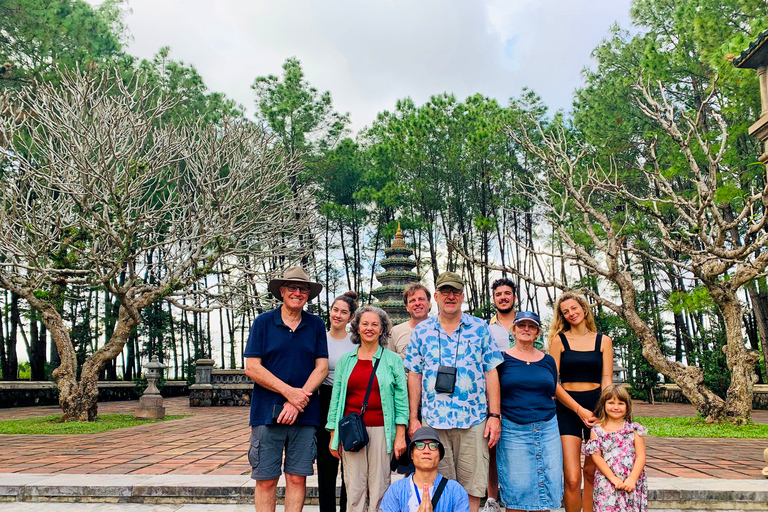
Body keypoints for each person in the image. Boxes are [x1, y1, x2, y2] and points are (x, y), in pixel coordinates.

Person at [405, 271, 503, 512]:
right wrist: (414, 418)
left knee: (472, 485)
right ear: (436, 296)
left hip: (473, 420)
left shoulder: (480, 328)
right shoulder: (422, 331)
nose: (451, 296)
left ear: (462, 295)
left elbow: (491, 372)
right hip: (434, 421)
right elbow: (414, 375)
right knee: (439, 484)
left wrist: (494, 416)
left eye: (456, 292)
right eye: (445, 292)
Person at [244, 266, 329, 512]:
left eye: (303, 289)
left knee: (296, 477)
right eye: (292, 288)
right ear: (282, 291)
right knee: (267, 480)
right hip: (266, 414)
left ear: (308, 295)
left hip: (304, 414)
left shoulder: (315, 325)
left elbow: (321, 368)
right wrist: (288, 392)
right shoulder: (263, 323)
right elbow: (252, 367)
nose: (297, 293)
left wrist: (295, 401)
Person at [327, 306, 409, 512]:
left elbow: (401, 399)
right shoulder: (346, 360)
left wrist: (400, 434)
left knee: (380, 485)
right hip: (352, 431)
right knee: (354, 486)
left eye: (375, 324)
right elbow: (336, 398)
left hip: (383, 429)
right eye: (365, 324)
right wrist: (334, 434)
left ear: (382, 330)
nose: (369, 328)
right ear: (357, 328)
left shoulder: (393, 360)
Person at [548, 292, 614, 512]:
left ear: (584, 309)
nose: (571, 314)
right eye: (565, 312)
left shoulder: (603, 341)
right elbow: (553, 382)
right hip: (568, 409)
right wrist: (579, 410)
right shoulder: (559, 341)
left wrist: (604, 410)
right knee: (573, 478)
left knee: (592, 472)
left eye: (574, 308)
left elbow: (606, 379)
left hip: (597, 408)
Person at [496, 311, 563, 512]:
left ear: (537, 333)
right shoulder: (502, 360)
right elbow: (494, 393)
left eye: (531, 326)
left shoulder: (548, 360)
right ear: (513, 331)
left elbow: (553, 390)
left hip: (547, 427)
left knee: (546, 483)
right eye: (522, 325)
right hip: (513, 428)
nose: (526, 329)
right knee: (516, 485)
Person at [318, 291, 358, 512]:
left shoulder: (356, 342)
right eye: (335, 310)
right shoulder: (320, 337)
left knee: (350, 463)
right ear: (330, 311)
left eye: (344, 312)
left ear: (351, 317)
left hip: (350, 401)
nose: (338, 315)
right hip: (324, 399)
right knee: (326, 463)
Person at [583, 385, 647, 512]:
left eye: (621, 403)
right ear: (603, 405)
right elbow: (597, 457)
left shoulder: (634, 430)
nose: (616, 407)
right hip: (606, 482)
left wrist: (632, 479)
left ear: (627, 407)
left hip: (630, 482)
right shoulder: (597, 431)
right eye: (611, 403)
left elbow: (641, 456)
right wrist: (613, 478)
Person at [380, 426, 471, 512]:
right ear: (412, 454)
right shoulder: (396, 490)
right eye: (420, 445)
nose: (426, 451)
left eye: (433, 446)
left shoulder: (455, 491)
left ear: (439, 454)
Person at [389, 282, 432, 359]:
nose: (417, 303)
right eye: (412, 301)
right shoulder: (395, 332)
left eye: (421, 299)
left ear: (429, 303)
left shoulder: (440, 330)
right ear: (407, 307)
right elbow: (388, 362)